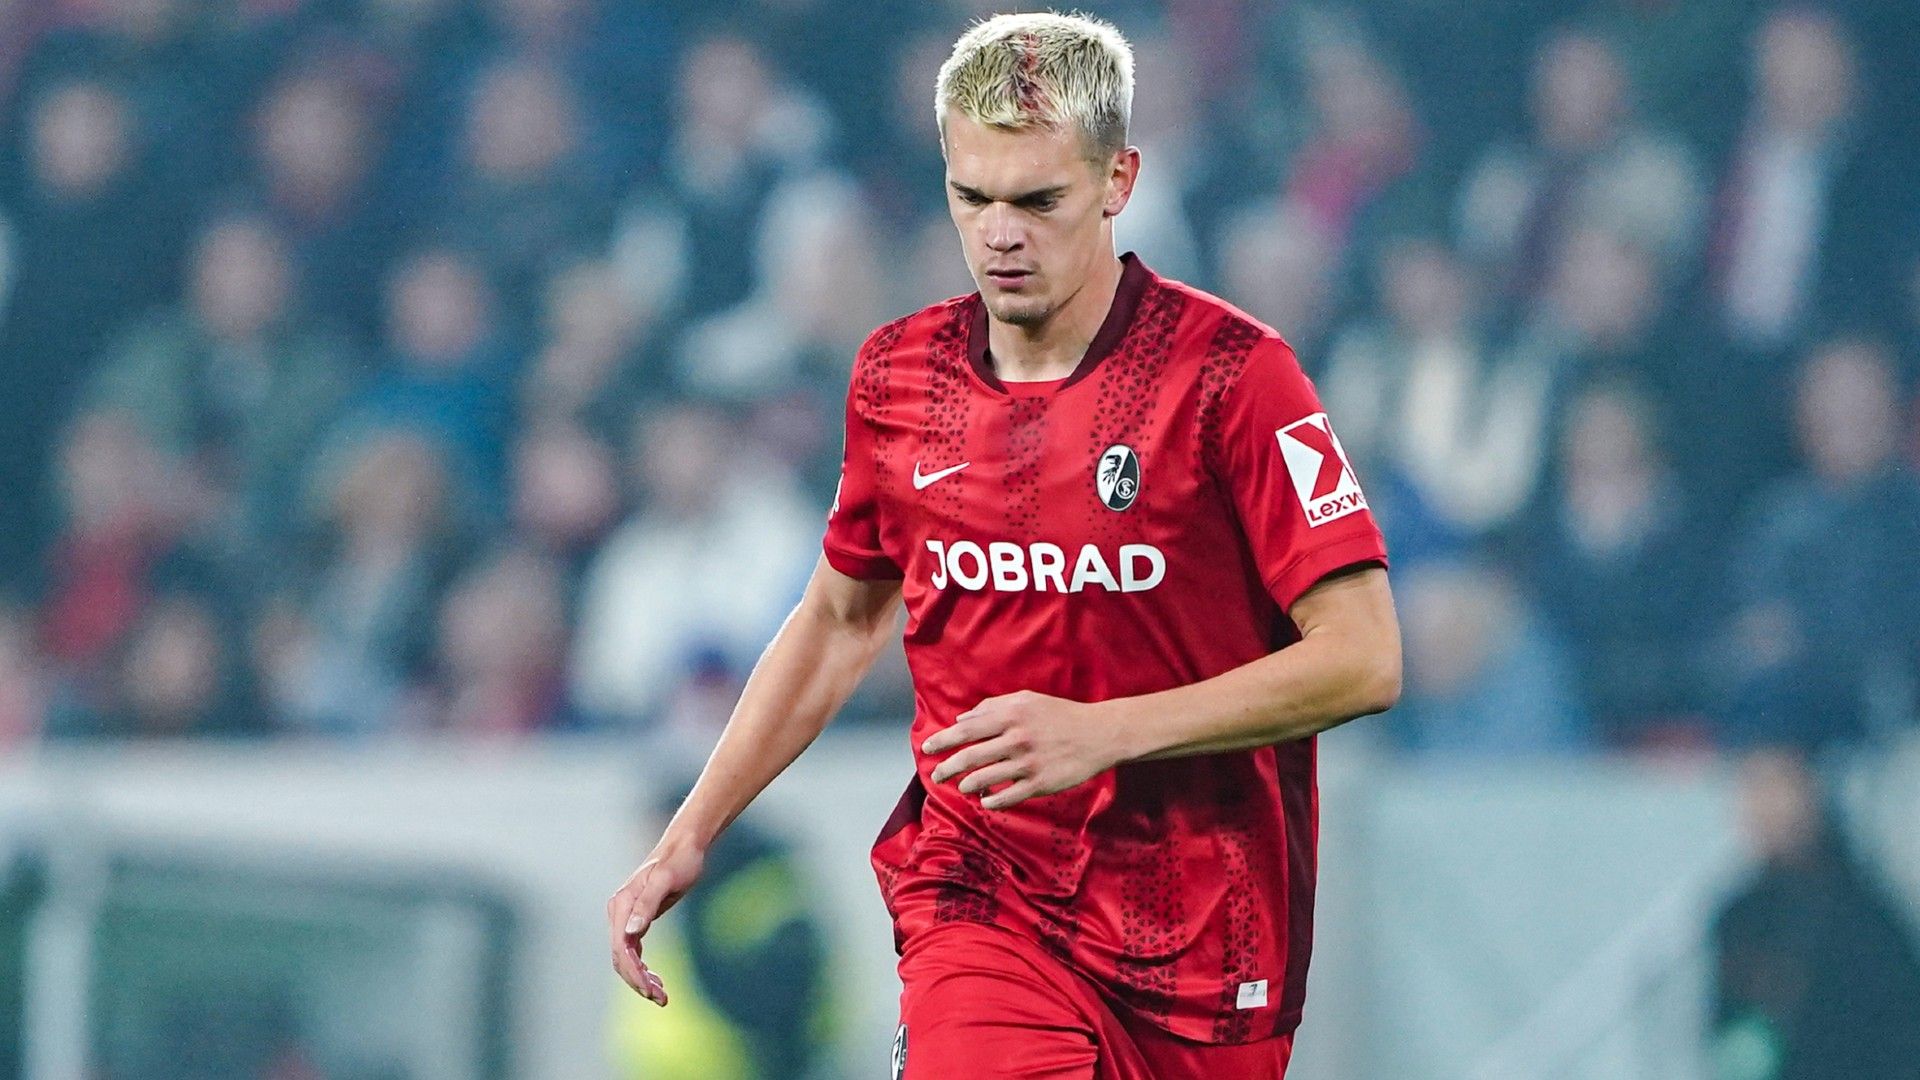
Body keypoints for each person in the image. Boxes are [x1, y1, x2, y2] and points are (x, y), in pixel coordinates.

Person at [607, 13, 1401, 1080]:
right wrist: (693, 829)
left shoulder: (1237, 379)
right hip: (984, 903)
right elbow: (840, 622)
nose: (1000, 234)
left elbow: (1363, 656)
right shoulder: (899, 377)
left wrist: (1106, 732)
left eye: (1038, 199)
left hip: (1208, 931)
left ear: (1118, 181)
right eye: (971, 197)